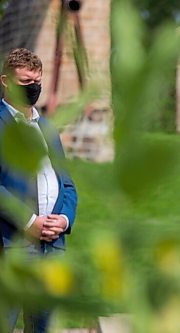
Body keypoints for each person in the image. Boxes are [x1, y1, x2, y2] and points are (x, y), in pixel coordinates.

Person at [0, 48, 78, 333]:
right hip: (12, 244)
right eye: (25, 83)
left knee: (45, 325)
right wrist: (29, 222)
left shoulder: (47, 128)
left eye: (37, 81)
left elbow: (67, 184)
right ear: (6, 81)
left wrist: (64, 219)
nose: (33, 88)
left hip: (52, 245)